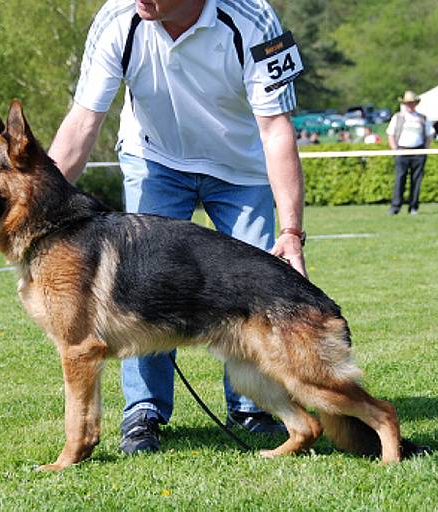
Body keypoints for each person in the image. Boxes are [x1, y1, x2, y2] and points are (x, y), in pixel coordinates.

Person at [48, 0, 307, 455]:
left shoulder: (254, 20)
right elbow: (84, 123)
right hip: (154, 159)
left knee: (255, 287)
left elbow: (276, 129)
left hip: (241, 167)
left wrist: (290, 232)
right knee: (139, 286)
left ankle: (252, 407)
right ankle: (144, 412)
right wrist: (40, 207)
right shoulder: (119, 19)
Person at [386, 91, 434, 215]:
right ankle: (395, 207)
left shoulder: (422, 118)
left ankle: (413, 207)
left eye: (412, 103)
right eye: (407, 103)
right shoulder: (398, 117)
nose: (410, 105)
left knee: (416, 180)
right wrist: (395, 150)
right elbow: (390, 135)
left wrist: (425, 150)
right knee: (399, 179)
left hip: (418, 151)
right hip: (402, 151)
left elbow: (429, 135)